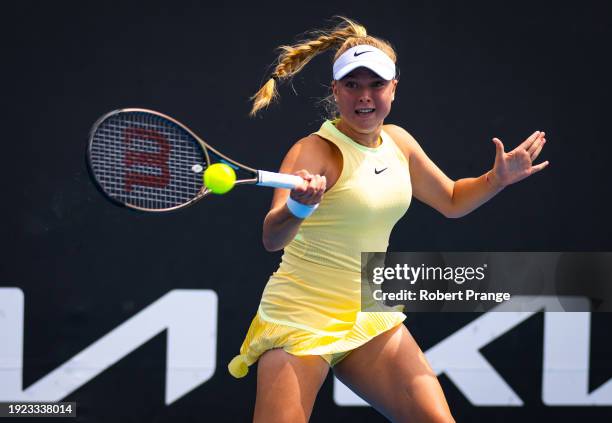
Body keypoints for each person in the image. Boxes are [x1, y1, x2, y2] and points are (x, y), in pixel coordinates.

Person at [228, 17, 549, 423]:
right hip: (300, 315)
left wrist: (496, 179)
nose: (365, 96)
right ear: (336, 91)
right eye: (352, 85)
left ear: (394, 88)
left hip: (367, 309)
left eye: (376, 84)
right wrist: (299, 206)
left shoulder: (399, 142)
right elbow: (272, 237)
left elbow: (451, 199)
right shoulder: (314, 150)